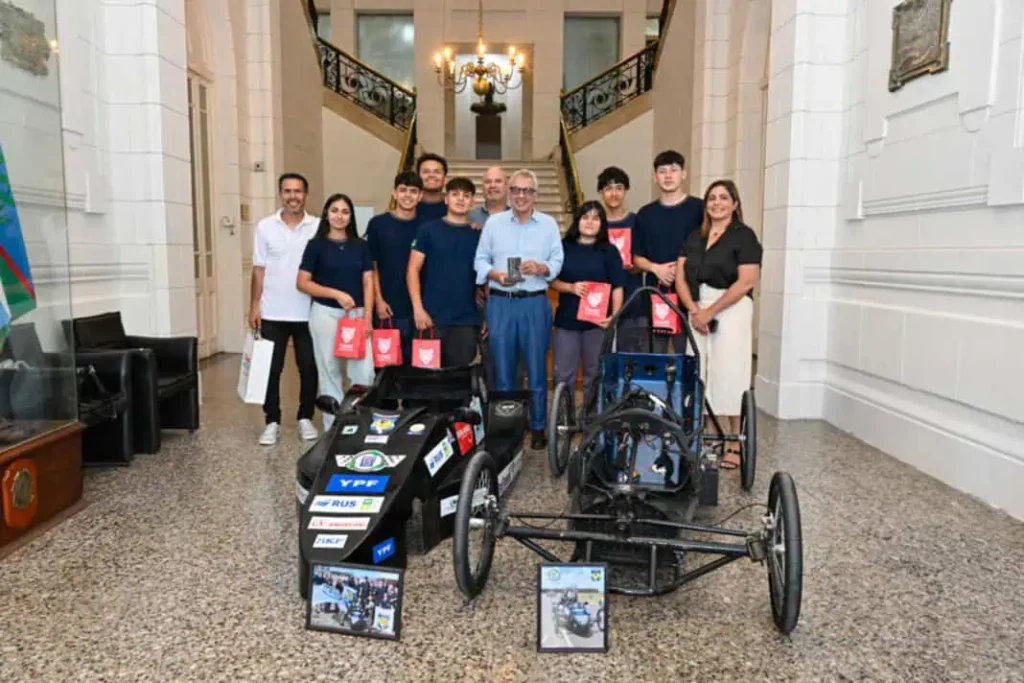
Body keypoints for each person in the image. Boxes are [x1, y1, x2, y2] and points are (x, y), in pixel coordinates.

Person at [675, 179, 761, 470]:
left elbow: (747, 280)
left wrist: (711, 312)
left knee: (730, 370)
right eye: (712, 198)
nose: (717, 203)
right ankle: (710, 434)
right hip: (696, 305)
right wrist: (694, 310)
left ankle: (734, 440)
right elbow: (680, 276)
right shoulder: (694, 236)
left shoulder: (744, 236)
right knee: (700, 369)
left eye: (724, 198)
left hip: (731, 305)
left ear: (735, 204)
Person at [475, 169, 564, 450]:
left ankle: (537, 427)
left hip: (535, 302)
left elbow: (558, 259)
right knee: (502, 368)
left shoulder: (548, 224)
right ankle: (507, 426)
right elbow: (480, 259)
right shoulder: (494, 224)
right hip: (501, 302)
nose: (521, 196)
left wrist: (542, 268)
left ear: (535, 195)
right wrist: (494, 275)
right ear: (509, 192)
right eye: (516, 190)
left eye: (527, 191)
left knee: (537, 368)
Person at [249, 172, 320, 446]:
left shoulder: (318, 226)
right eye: (288, 191)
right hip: (272, 311)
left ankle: (305, 417)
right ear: (280, 194)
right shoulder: (265, 227)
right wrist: (254, 305)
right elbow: (258, 269)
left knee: (309, 367)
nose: (293, 196)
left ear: (306, 194)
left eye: (298, 191)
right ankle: (272, 421)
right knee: (271, 369)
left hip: (308, 311)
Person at [297, 194, 375, 431]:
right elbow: (302, 283)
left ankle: (358, 422)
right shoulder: (316, 245)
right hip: (326, 314)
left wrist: (369, 318)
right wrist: (336, 294)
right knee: (329, 370)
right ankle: (335, 428)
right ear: (326, 214)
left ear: (351, 217)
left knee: (365, 372)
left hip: (358, 317)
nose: (339, 216)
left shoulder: (361, 245)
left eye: (344, 211)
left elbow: (369, 281)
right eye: (334, 210)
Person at [550, 201, 624, 409]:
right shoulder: (563, 247)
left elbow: (618, 286)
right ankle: (565, 420)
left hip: (597, 324)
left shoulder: (609, 251)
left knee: (594, 373)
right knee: (563, 374)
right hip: (567, 321)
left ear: (602, 223)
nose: (590, 222)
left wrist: (615, 316)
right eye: (585, 217)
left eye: (595, 218)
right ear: (577, 220)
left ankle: (591, 421)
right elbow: (551, 281)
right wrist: (571, 288)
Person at [407, 178, 483, 367]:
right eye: (455, 194)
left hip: (465, 321)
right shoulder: (427, 230)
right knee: (426, 383)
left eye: (466, 195)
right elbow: (412, 270)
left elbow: (485, 278)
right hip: (430, 319)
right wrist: (418, 309)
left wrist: (487, 315)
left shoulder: (479, 235)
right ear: (446, 199)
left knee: (459, 384)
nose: (460, 199)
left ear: (472, 202)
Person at [633, 150, 704, 353]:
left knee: (690, 353)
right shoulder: (645, 214)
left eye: (674, 170)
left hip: (693, 292)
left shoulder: (699, 208)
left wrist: (680, 271)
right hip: (657, 291)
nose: (668, 176)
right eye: (662, 171)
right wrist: (656, 268)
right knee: (657, 353)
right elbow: (637, 257)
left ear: (684, 174)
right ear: (655, 177)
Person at [366, 171, 423, 364]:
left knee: (417, 373)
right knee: (385, 370)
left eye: (413, 191)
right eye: (403, 190)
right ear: (394, 194)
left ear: (420, 196)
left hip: (419, 312)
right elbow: (371, 265)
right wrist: (378, 300)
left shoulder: (427, 226)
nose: (408, 195)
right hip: (387, 309)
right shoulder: (378, 224)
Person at [597, 166, 646, 352]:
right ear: (601, 192)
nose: (614, 193)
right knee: (601, 361)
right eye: (608, 189)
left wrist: (635, 265)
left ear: (626, 190)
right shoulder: (594, 224)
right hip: (600, 303)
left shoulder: (636, 221)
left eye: (619, 188)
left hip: (633, 300)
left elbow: (644, 259)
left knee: (631, 361)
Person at [416, 153, 448, 222]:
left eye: (437, 172)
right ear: (417, 177)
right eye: (426, 172)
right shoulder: (408, 205)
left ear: (445, 179)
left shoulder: (454, 206)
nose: (431, 175)